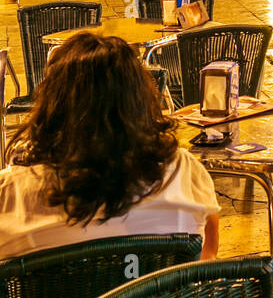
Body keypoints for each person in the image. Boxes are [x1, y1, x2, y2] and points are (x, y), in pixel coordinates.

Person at [0, 33, 221, 260]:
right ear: (140, 103)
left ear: (52, 108)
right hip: (160, 296)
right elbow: (207, 255)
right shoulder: (183, 172)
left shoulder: (10, 194)